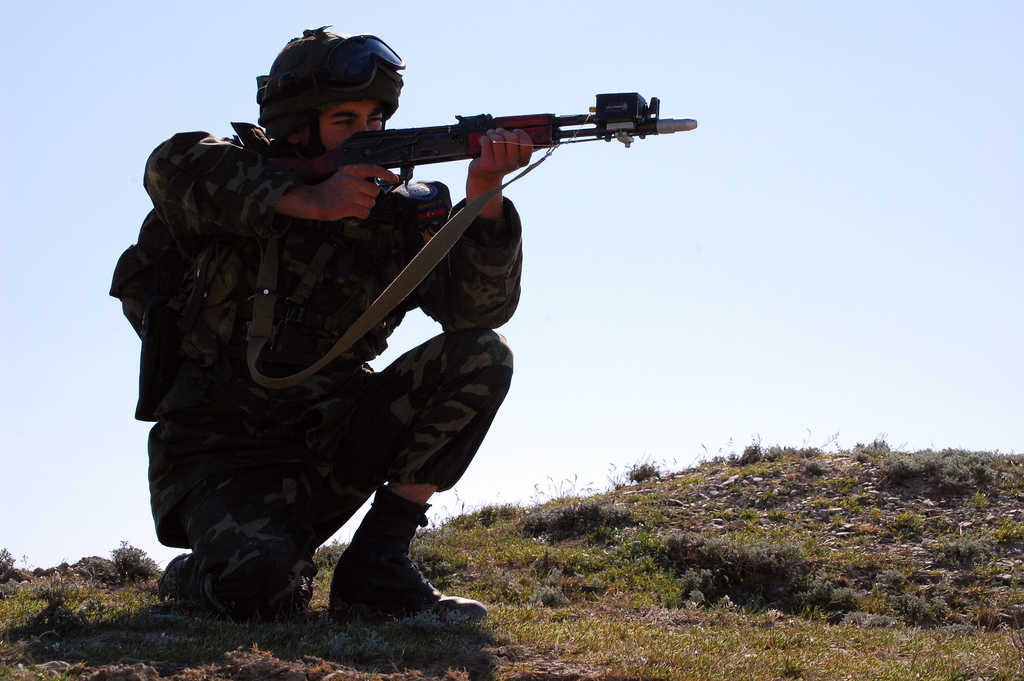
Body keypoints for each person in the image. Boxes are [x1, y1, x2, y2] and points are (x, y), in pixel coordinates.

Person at [142, 27, 533, 621]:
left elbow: (477, 312)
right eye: (345, 120)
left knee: (484, 354)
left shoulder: (395, 213)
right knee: (262, 594)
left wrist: (485, 196)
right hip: (222, 452)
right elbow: (170, 164)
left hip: (332, 436)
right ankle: (197, 574)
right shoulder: (233, 181)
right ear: (297, 127)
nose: (368, 134)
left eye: (375, 119)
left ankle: (378, 564)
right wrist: (312, 201)